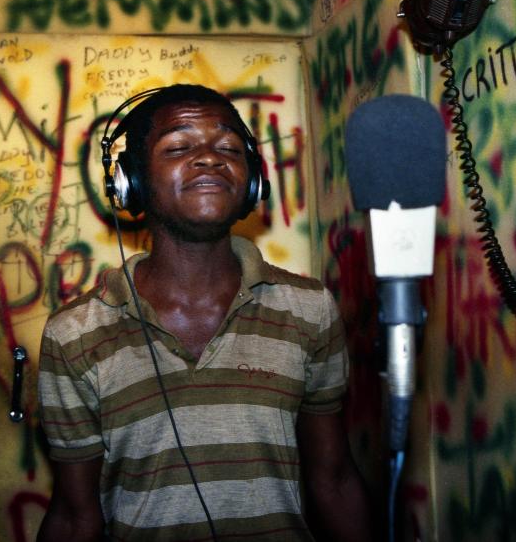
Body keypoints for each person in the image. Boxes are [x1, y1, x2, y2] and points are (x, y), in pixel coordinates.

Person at [37, 85, 372, 541]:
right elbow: (75, 514)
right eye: (178, 147)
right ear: (131, 182)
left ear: (252, 182)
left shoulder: (309, 308)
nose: (210, 158)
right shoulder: (74, 333)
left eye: (229, 148)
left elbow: (333, 479)